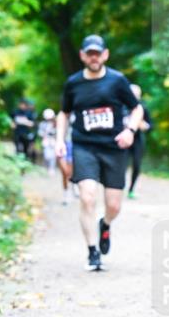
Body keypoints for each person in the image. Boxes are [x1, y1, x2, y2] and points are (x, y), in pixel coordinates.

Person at [56, 35, 144, 271]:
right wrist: (59, 141)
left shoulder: (117, 80)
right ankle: (92, 252)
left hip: (114, 147)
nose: (94, 57)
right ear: (83, 56)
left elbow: (137, 109)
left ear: (105, 55)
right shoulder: (73, 83)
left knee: (113, 205)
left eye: (98, 53)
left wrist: (130, 130)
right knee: (87, 196)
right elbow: (63, 113)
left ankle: (104, 225)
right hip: (84, 146)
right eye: (89, 53)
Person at [126, 84, 152, 199]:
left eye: (137, 94)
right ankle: (118, 186)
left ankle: (131, 189)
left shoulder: (143, 107)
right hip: (123, 140)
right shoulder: (122, 106)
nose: (134, 96)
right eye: (132, 94)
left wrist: (144, 126)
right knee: (120, 165)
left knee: (136, 165)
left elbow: (151, 125)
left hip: (137, 140)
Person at [38, 108, 58, 175]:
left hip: (53, 141)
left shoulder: (56, 123)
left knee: (53, 156)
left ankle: (51, 168)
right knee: (46, 155)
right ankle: (46, 167)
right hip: (46, 140)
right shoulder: (42, 124)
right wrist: (45, 134)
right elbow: (40, 132)